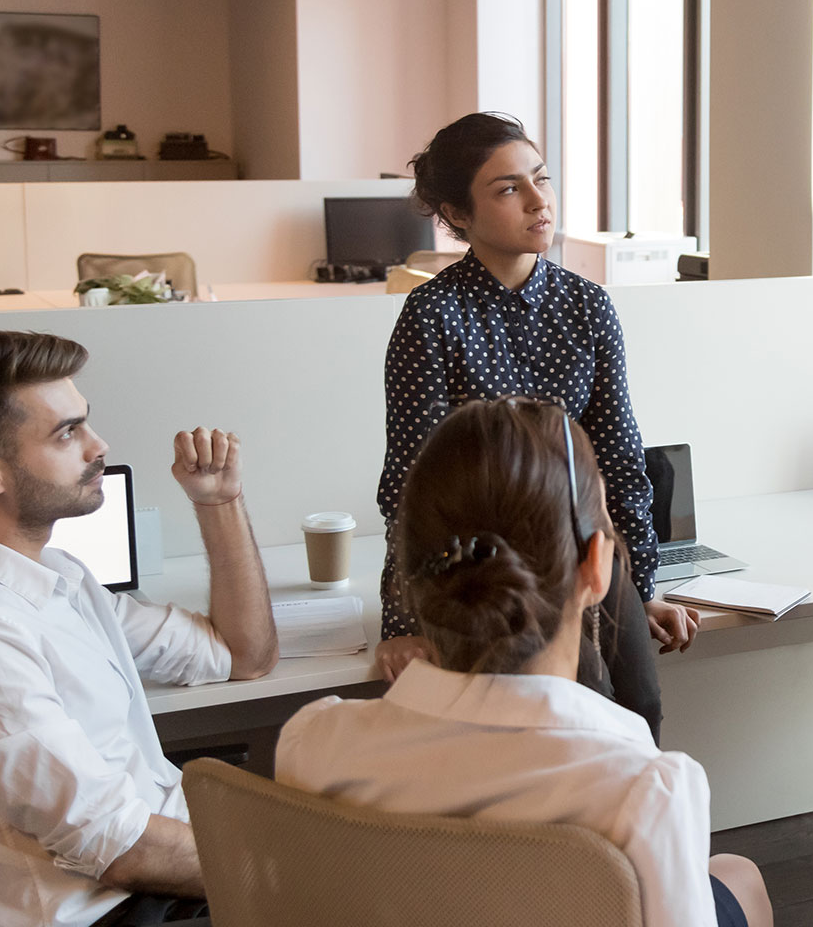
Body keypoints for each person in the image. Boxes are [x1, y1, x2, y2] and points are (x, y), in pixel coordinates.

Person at [277, 397, 772, 927]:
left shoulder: (313, 742)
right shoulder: (646, 788)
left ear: (409, 579)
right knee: (737, 874)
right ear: (596, 568)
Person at [374, 112, 696, 742]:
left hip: (585, 547)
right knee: (571, 713)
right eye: (507, 189)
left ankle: (632, 837)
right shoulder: (431, 316)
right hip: (485, 569)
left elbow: (620, 461)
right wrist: (402, 623)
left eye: (540, 180)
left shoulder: (588, 303)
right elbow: (411, 486)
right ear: (457, 214)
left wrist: (640, 586)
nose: (538, 201)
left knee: (640, 712)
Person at [0, 330, 279, 927]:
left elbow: (242, 655)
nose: (98, 446)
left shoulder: (58, 578)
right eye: (67, 433)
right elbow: (120, 849)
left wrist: (218, 503)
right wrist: (287, 865)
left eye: (86, 422)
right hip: (116, 908)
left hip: (172, 873)